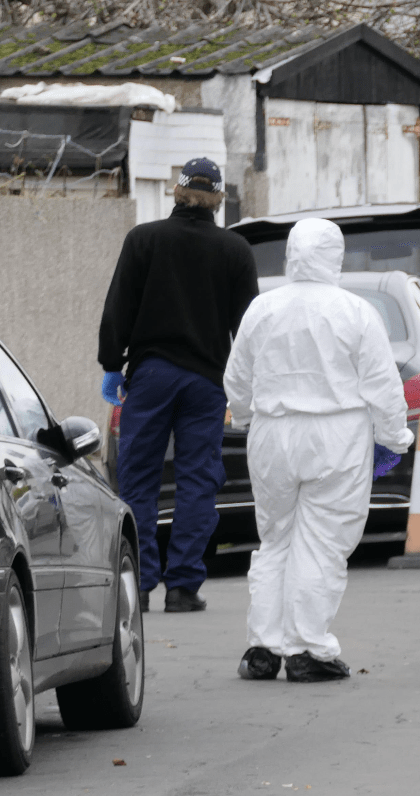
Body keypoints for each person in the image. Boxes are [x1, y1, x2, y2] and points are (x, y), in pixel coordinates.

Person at [224, 218, 413, 683]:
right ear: (336, 257)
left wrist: (247, 416)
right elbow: (382, 384)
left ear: (290, 255)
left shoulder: (262, 309)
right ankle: (307, 648)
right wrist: (395, 436)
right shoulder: (354, 311)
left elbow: (237, 379)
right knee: (322, 542)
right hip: (336, 435)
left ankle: (263, 647)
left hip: (272, 433)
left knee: (275, 541)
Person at [98, 157, 258, 613]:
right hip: (208, 381)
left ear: (178, 191)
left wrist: (113, 364)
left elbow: (118, 309)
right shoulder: (235, 250)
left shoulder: (143, 240)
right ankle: (184, 587)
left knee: (138, 479)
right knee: (197, 480)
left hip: (150, 376)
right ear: (217, 198)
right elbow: (246, 327)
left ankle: (141, 583)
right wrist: (243, 382)